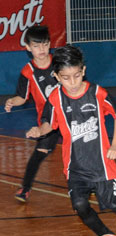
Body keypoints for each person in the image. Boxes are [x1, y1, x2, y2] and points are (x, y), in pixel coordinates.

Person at [25, 45, 116, 236]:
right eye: (66, 78)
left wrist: (115, 145)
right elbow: (49, 124)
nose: (73, 82)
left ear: (83, 71)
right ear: (57, 76)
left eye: (77, 76)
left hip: (102, 165)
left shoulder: (97, 93)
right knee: (79, 205)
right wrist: (39, 130)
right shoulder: (55, 98)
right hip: (75, 167)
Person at [4, 25, 60, 202]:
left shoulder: (60, 62)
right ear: (28, 48)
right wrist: (13, 101)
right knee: (39, 152)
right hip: (48, 120)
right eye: (36, 46)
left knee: (81, 149)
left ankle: (90, 185)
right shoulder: (28, 72)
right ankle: (25, 189)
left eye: (44, 44)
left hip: (69, 115)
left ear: (50, 44)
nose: (41, 49)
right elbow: (22, 96)